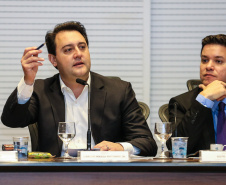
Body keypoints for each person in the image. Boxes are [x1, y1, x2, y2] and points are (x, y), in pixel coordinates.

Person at [1, 21, 157, 157]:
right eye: (68, 50)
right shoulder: (40, 90)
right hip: (54, 175)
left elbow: (147, 143)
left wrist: (120, 147)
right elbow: (12, 120)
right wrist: (28, 81)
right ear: (53, 59)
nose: (78, 54)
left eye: (82, 47)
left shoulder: (118, 90)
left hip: (105, 174)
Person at [167, 34, 226, 155]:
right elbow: (176, 149)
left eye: (218, 61)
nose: (208, 66)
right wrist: (204, 99)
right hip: (205, 173)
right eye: (204, 60)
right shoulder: (181, 103)